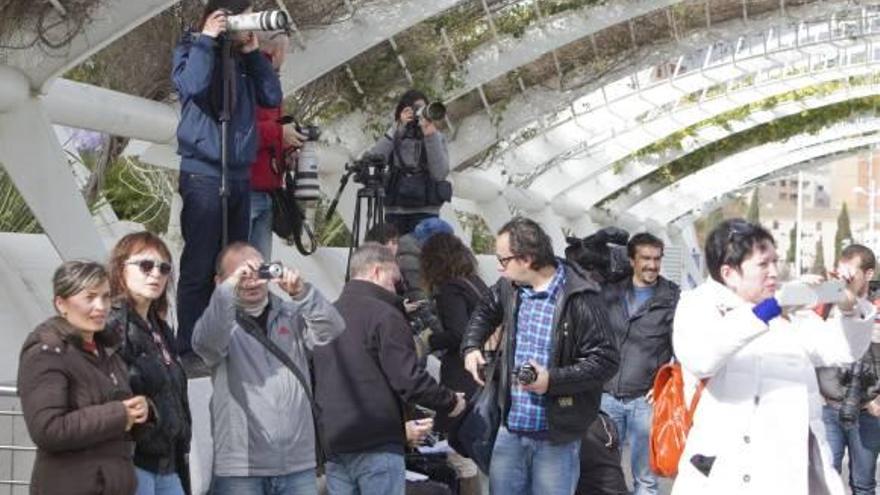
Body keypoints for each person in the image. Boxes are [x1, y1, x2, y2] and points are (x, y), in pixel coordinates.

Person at [671, 219, 876, 494]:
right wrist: (770, 309)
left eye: (775, 262)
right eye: (763, 264)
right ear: (729, 273)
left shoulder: (790, 313)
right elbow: (701, 358)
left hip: (788, 473)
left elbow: (842, 349)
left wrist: (850, 308)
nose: (774, 272)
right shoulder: (698, 304)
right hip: (725, 473)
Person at [461, 217, 619, 495]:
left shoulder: (580, 296)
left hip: (556, 437)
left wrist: (552, 380)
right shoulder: (509, 287)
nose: (499, 267)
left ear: (527, 259)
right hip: (511, 429)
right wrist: (471, 346)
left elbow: (605, 361)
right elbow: (486, 309)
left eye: (503, 259)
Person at [172, 0, 283, 362]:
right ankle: (189, 346)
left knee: (237, 262)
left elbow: (272, 97)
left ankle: (233, 338)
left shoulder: (247, 63)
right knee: (200, 262)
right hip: (203, 172)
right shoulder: (191, 47)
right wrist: (207, 39)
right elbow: (191, 85)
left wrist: (253, 55)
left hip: (239, 174)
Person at [312, 243, 466, 495]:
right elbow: (408, 378)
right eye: (394, 280)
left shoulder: (327, 313)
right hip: (377, 443)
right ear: (376, 271)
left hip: (335, 442)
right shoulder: (385, 315)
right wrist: (449, 401)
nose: (396, 289)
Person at [192, 242, 345, 494]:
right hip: (242, 468)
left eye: (259, 272)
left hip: (298, 463)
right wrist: (228, 290)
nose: (252, 281)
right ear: (220, 281)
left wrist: (302, 292)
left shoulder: (291, 314)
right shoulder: (218, 323)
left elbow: (332, 328)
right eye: (241, 275)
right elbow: (206, 344)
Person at [18, 261, 149, 494]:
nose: (101, 306)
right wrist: (119, 414)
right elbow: (48, 429)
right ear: (61, 303)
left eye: (106, 297)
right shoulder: (47, 350)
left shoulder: (107, 350)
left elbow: (115, 418)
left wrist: (139, 412)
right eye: (89, 297)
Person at [106, 232, 192, 495]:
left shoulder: (161, 328)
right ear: (121, 270)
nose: (156, 274)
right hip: (133, 461)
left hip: (169, 463)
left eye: (164, 268)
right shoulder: (112, 324)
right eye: (145, 265)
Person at [600, 232, 679, 495]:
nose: (652, 265)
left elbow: (683, 351)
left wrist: (665, 386)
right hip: (607, 397)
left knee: (645, 480)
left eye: (657, 259)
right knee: (602, 473)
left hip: (645, 403)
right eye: (645, 258)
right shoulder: (610, 292)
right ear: (632, 260)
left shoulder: (672, 298)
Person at [816, 244, 880, 495]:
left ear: (869, 274)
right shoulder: (825, 301)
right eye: (839, 273)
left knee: (863, 485)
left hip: (868, 410)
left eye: (850, 274)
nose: (843, 280)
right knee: (824, 481)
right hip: (828, 407)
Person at [249, 32, 307, 260]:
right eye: (286, 51)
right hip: (249, 187)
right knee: (247, 265)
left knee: (258, 265)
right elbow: (242, 132)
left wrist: (287, 152)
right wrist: (279, 133)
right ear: (277, 51)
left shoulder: (268, 81)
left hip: (267, 189)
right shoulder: (256, 80)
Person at [366, 89, 450, 235]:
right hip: (396, 211)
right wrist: (396, 129)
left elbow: (440, 174)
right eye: (415, 109)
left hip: (426, 211)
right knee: (396, 255)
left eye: (423, 109)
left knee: (425, 256)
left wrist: (430, 135)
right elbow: (373, 160)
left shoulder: (436, 137)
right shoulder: (396, 133)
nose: (419, 113)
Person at [420, 232, 488, 400]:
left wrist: (429, 341)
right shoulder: (474, 282)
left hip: (462, 370)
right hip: (485, 364)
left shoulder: (450, 289)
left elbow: (459, 333)